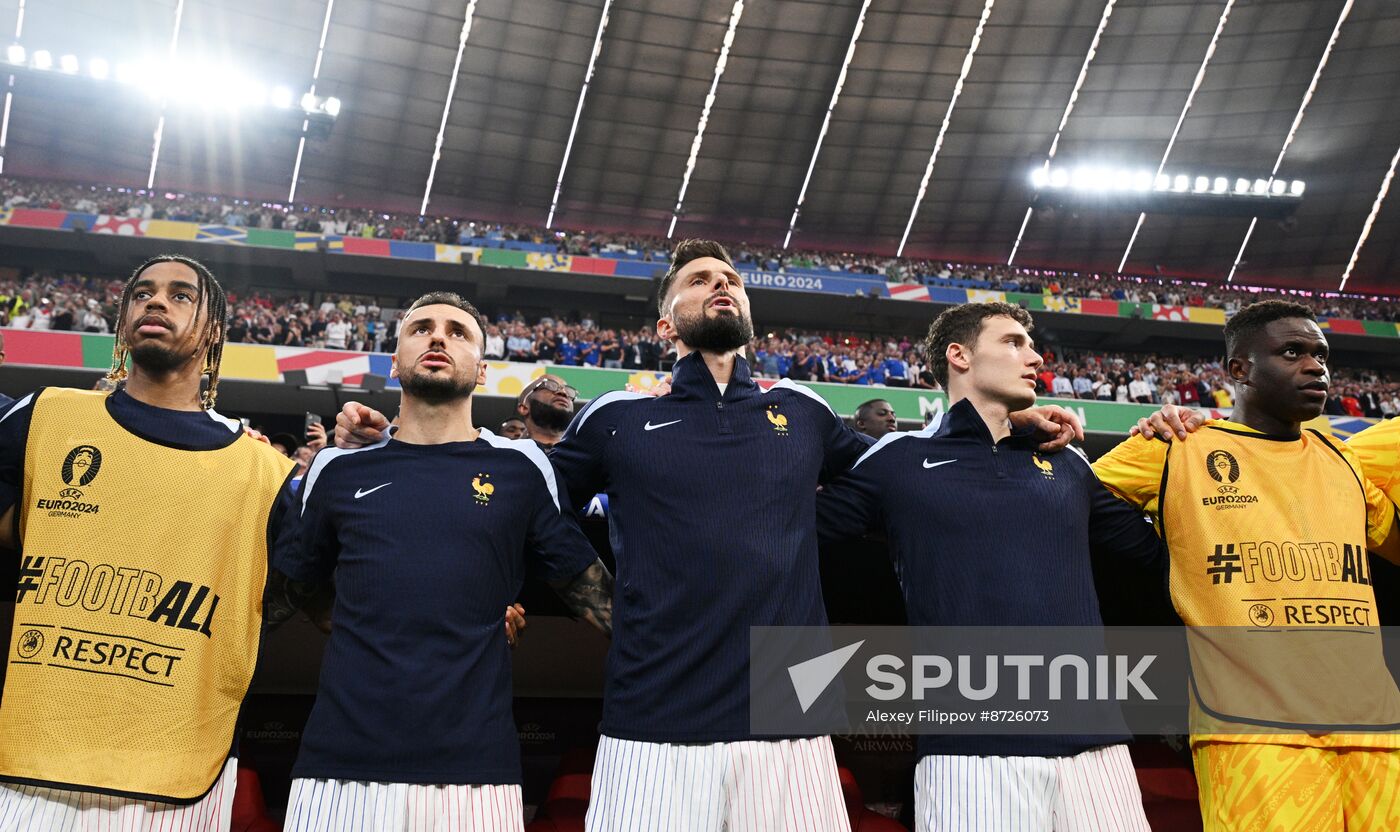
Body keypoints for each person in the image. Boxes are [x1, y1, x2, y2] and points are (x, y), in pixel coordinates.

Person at [335, 241, 1083, 830]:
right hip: (650, 726)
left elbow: (916, 470)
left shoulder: (807, 412)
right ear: (666, 325)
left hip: (793, 726)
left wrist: (1004, 421)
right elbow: (511, 505)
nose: (718, 284)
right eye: (696, 280)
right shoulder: (617, 420)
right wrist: (579, 600)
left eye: (729, 277)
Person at [271, 292, 611, 832]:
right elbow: (281, 596)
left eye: (457, 332)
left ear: (481, 370)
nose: (437, 337)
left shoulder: (522, 467)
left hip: (478, 774)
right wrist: (347, 613)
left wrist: (772, 676)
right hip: (338, 770)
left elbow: (599, 602)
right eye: (421, 328)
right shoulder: (336, 469)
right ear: (394, 359)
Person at [817, 303, 1158, 831]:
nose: (1035, 356)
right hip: (968, 751)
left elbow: (1159, 554)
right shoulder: (899, 459)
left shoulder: (1067, 463)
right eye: (1014, 343)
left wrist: (1177, 445)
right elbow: (788, 535)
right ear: (959, 356)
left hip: (1097, 748)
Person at [0, 255, 296, 828]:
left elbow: (310, 593)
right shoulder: (45, 416)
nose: (155, 302)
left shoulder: (266, 474)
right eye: (142, 294)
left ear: (213, 332)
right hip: (33, 756)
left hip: (179, 771)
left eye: (181, 295)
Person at [1094, 301, 1400, 831]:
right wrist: (1163, 555)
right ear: (1239, 369)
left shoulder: (1343, 459)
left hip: (1375, 725)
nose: (1315, 367)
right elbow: (1063, 501)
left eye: (1321, 355)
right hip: (1253, 727)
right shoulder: (1178, 448)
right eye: (1292, 352)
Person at [513, 374, 577, 451]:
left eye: (568, 392)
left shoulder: (585, 457)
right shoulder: (507, 455)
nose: (563, 393)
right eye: (550, 386)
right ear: (524, 408)